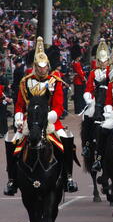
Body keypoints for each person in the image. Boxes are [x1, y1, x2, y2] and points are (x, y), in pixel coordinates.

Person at [4, 36, 78, 196]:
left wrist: (47, 117)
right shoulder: (25, 81)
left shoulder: (54, 81)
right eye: (39, 67)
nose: (42, 70)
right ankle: (12, 180)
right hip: (28, 120)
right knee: (12, 143)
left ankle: (68, 177)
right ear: (35, 66)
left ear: (48, 66)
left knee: (65, 141)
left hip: (50, 120)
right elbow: (19, 105)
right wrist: (18, 117)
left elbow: (58, 107)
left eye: (44, 67)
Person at [71, 43, 87, 114]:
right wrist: (84, 78)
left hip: (77, 80)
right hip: (79, 81)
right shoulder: (76, 63)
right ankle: (79, 109)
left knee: (78, 96)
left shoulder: (75, 62)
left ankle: (78, 108)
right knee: (79, 96)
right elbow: (80, 73)